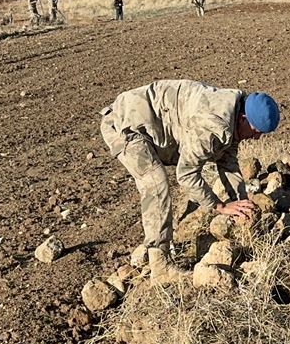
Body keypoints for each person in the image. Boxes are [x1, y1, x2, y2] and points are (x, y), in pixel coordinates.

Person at [100, 80, 280, 279]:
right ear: (244, 119)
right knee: (156, 184)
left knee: (160, 181)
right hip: (126, 125)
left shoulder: (235, 111)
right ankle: (160, 267)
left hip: (151, 123)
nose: (256, 139)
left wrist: (240, 202)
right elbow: (186, 174)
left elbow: (227, 162)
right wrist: (219, 206)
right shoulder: (213, 125)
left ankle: (162, 239)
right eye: (257, 132)